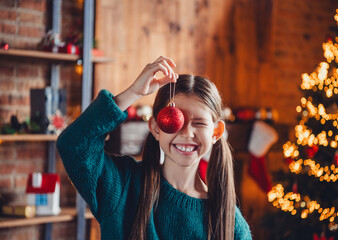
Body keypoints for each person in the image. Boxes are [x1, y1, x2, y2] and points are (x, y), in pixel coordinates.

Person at [56, 56, 252, 240]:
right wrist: (133, 92)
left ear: (216, 133)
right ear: (156, 128)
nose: (186, 133)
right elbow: (73, 144)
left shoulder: (230, 222)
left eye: (199, 123)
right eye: (175, 121)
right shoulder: (122, 185)